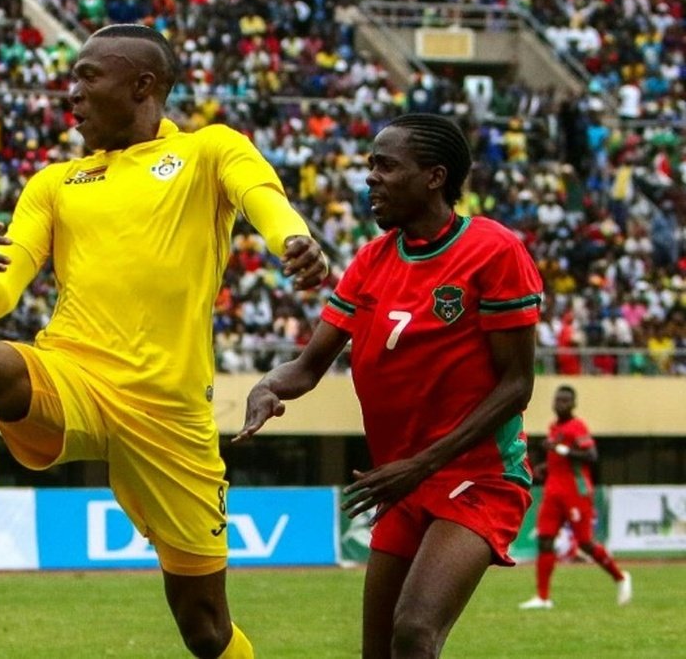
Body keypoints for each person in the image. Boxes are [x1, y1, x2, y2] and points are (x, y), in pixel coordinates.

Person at [0, 24, 328, 658]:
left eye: (89, 77)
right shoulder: (56, 183)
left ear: (143, 85)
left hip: (168, 414)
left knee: (205, 630)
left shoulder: (208, 151)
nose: (73, 94)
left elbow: (262, 197)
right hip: (76, 377)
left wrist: (292, 238)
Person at [236, 113, 543, 658]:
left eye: (385, 166)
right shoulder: (372, 260)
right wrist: (268, 387)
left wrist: (422, 464)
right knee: (378, 650)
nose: (370, 178)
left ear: (434, 177)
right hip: (400, 482)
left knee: (415, 630)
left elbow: (517, 386)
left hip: (478, 477)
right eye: (370, 165)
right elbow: (307, 368)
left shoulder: (494, 251)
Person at [518, 385, 631, 610]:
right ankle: (543, 597)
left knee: (585, 543)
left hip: (575, 492)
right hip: (553, 491)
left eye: (565, 401)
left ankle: (620, 577)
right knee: (545, 540)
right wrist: (545, 466)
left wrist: (560, 450)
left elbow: (591, 455)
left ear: (573, 404)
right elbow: (561, 460)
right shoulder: (554, 427)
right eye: (557, 400)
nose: (560, 404)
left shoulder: (577, 427)